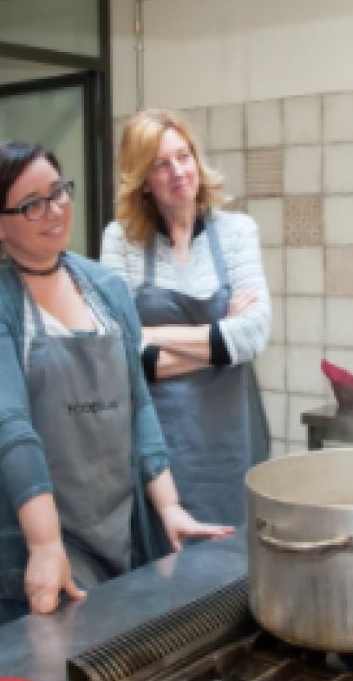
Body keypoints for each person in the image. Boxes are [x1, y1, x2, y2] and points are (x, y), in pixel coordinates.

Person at [0, 141, 232, 651]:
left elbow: (138, 405)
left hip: (108, 526)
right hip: (17, 541)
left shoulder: (103, 287)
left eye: (58, 193)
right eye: (31, 204)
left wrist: (170, 507)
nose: (55, 211)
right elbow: (10, 426)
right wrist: (45, 545)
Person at [98, 109, 271, 527]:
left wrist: (150, 331)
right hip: (160, 443)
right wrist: (220, 346)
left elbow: (252, 335)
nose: (178, 172)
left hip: (231, 438)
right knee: (166, 571)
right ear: (141, 179)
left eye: (184, 156)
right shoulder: (120, 240)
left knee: (235, 564)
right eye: (161, 164)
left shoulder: (237, 231)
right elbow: (117, 349)